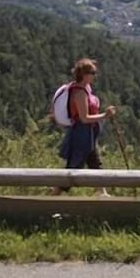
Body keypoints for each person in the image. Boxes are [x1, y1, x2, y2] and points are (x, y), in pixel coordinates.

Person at [52, 58, 117, 196]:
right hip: (82, 134)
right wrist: (105, 115)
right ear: (84, 74)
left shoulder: (85, 89)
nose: (95, 76)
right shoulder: (79, 93)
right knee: (74, 166)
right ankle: (53, 195)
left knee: (94, 162)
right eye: (92, 73)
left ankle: (102, 193)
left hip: (88, 134)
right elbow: (84, 118)